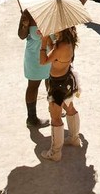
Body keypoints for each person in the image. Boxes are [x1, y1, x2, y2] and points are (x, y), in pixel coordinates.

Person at [39, 26, 82, 162]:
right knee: (69, 107)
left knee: (55, 116)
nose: (52, 30)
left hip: (57, 86)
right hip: (67, 81)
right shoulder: (68, 41)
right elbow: (55, 54)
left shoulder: (61, 45)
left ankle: (55, 152)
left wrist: (43, 41)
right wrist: (49, 39)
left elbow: (44, 61)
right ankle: (74, 138)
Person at [18, 10, 51, 128]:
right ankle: (31, 118)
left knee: (52, 82)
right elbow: (21, 36)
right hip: (34, 57)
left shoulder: (53, 9)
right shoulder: (27, 13)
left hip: (52, 54)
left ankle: (53, 108)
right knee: (33, 86)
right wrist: (25, 25)